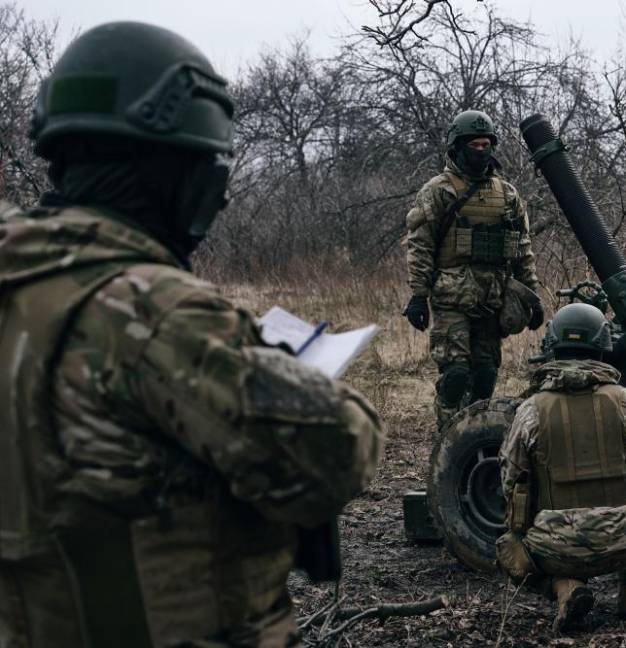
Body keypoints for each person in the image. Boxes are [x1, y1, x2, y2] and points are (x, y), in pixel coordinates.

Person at [0, 22, 384, 648]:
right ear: (178, 173)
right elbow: (338, 452)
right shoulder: (152, 314)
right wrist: (277, 366)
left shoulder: (21, 283)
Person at [496, 303, 626, 634]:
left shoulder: (531, 409)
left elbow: (510, 477)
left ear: (552, 346)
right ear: (603, 347)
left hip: (555, 548)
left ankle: (566, 588)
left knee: (508, 545)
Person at [403, 109, 543, 428]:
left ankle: (474, 437)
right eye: (474, 145)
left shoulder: (506, 194)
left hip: (491, 299)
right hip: (451, 297)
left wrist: (531, 297)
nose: (481, 151)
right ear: (458, 146)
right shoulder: (439, 190)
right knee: (455, 373)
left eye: (485, 145)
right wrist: (417, 295)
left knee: (485, 375)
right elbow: (420, 245)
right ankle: (448, 435)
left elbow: (522, 249)